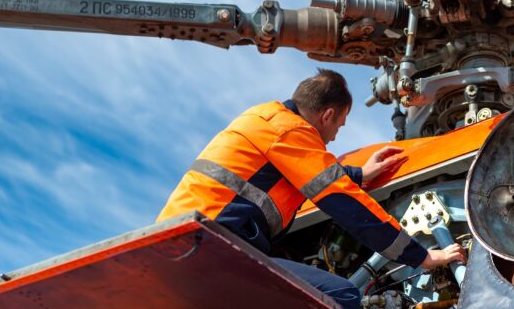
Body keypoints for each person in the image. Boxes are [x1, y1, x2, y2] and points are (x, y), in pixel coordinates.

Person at [157, 68, 465, 308]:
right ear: (327, 114)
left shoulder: (266, 119)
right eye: (338, 126)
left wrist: (360, 173)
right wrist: (422, 257)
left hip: (179, 245)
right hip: (214, 249)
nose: (333, 138)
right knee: (341, 295)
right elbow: (346, 204)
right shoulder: (291, 130)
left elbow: (297, 172)